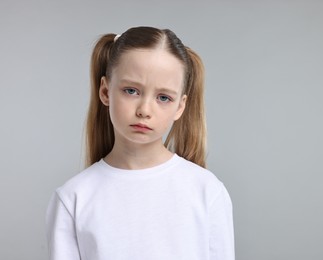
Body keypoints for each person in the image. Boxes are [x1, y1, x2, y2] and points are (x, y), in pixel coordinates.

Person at [45, 26, 235, 260]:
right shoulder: (74, 198)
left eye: (163, 97)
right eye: (131, 91)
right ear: (105, 91)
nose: (145, 110)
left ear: (180, 106)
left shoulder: (207, 191)